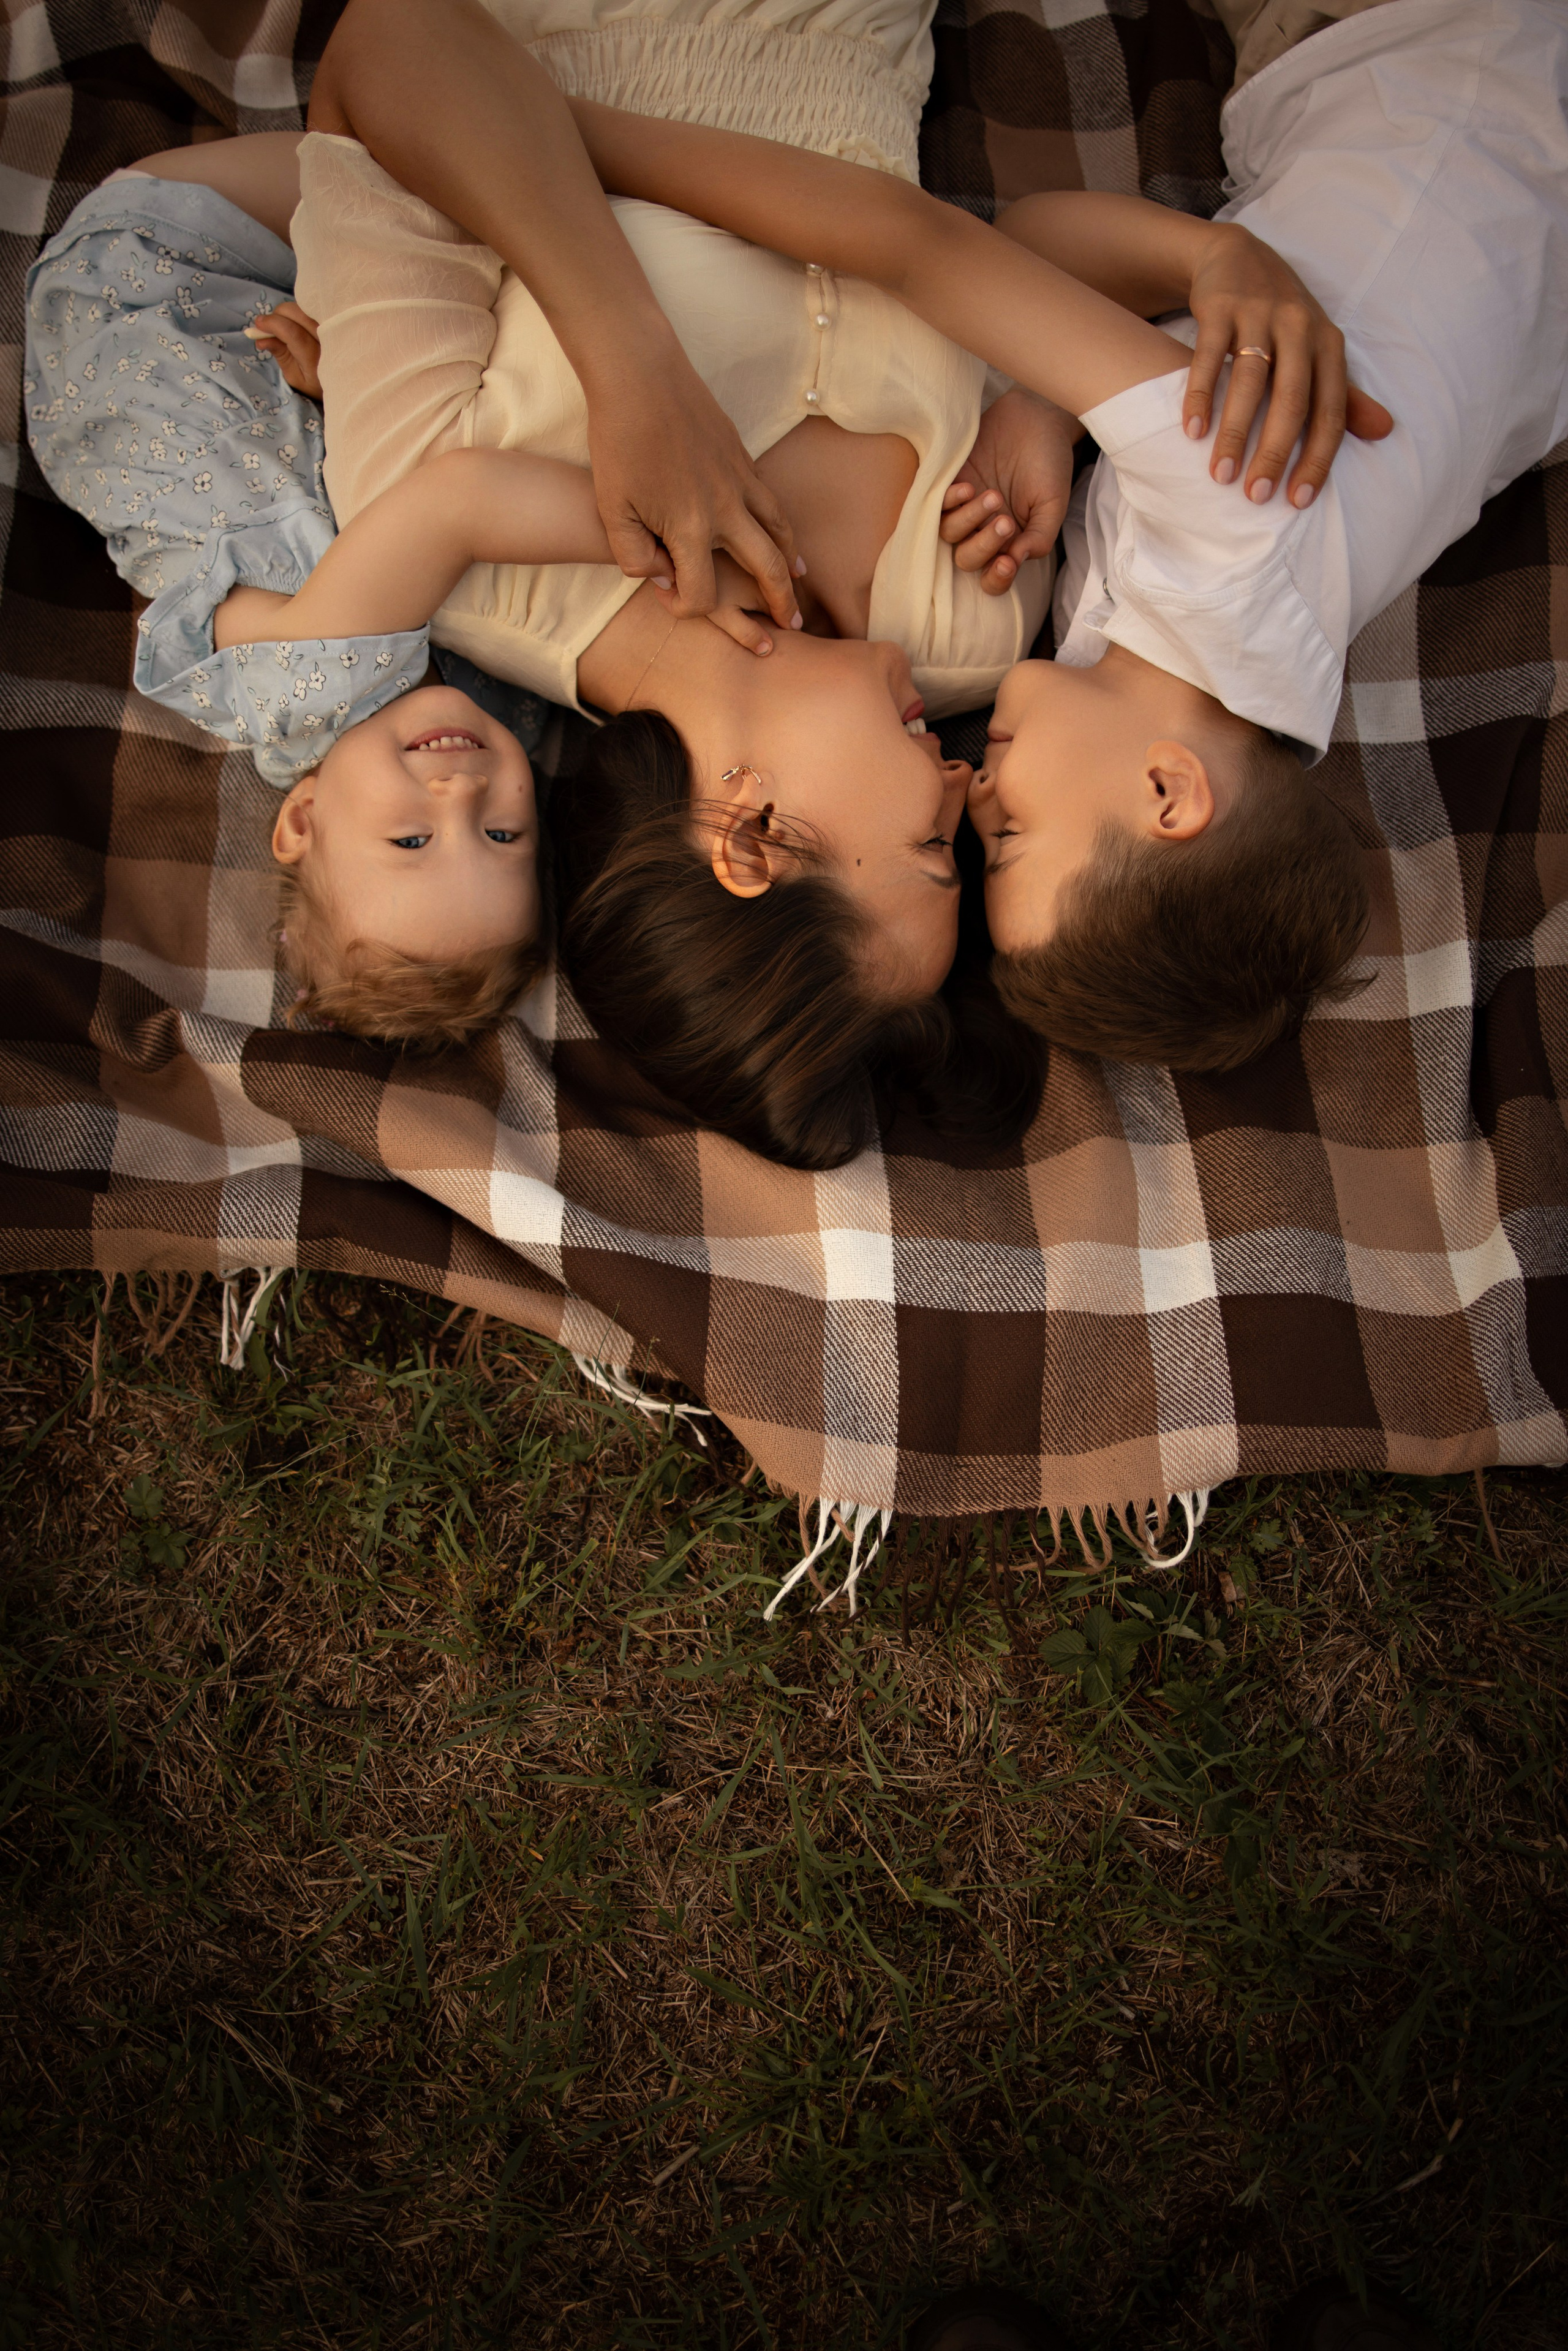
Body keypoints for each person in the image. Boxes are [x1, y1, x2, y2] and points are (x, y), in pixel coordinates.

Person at [288, 0, 1368, 1152]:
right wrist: (1070, 384)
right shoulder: (977, 621)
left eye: (925, 851)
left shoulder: (452, 549)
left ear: (750, 837)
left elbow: (392, 43)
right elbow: (1022, 286)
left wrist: (631, 365)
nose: (962, 785)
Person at [564, 0, 1566, 1073]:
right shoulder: (1237, 528)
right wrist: (566, 140)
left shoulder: (1157, 656)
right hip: (1433, 55)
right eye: (1009, 840)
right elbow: (963, 250)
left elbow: (1035, 269)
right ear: (1168, 792)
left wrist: (1048, 400)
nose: (972, 794)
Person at [21, 62, 810, 1046]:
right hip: (282, 369)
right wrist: (336, 393)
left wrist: (672, 538)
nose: (460, 791)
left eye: (409, 839)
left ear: (303, 818)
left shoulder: (305, 681)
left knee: (481, 167)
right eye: (502, 835)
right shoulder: (491, 709)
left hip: (157, 281)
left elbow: (461, 501)